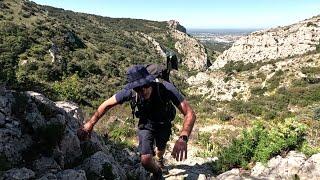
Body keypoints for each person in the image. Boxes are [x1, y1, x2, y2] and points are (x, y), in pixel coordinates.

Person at [78, 65, 196, 179]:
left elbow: (190, 113)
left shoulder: (165, 88)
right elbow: (106, 105)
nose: (143, 90)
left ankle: (159, 160)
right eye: (138, 88)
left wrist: (183, 138)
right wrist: (90, 123)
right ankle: (157, 172)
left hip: (163, 124)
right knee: (145, 160)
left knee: (161, 147)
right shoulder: (130, 92)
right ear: (133, 88)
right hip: (146, 125)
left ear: (150, 81)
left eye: (145, 85)